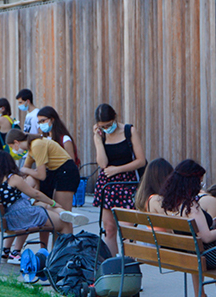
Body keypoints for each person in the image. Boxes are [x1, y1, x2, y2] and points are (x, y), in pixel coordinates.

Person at [0, 151, 88, 264]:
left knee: (40, 205)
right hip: (22, 215)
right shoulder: (13, 178)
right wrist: (53, 202)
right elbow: (35, 194)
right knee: (64, 223)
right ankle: (65, 258)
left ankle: (63, 212)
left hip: (9, 217)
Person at [150, 160, 216, 297]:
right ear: (191, 183)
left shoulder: (173, 204)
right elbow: (207, 237)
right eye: (199, 182)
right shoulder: (191, 206)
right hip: (207, 256)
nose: (200, 186)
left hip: (192, 254)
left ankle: (200, 294)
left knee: (195, 249)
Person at [92, 103, 146, 256]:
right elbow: (102, 163)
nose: (107, 128)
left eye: (109, 125)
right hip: (108, 184)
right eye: (103, 126)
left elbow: (141, 160)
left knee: (127, 230)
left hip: (126, 182)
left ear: (115, 118)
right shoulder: (100, 135)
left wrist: (118, 169)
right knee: (109, 229)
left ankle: (129, 267)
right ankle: (113, 268)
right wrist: (97, 139)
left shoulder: (129, 131)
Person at [6, 129, 81, 234]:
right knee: (57, 216)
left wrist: (26, 171)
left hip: (66, 172)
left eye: (11, 146)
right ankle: (57, 249)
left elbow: (41, 175)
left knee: (64, 218)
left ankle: (67, 248)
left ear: (16, 142)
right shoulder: (31, 147)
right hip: (55, 173)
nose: (12, 150)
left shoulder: (36, 145)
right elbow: (25, 168)